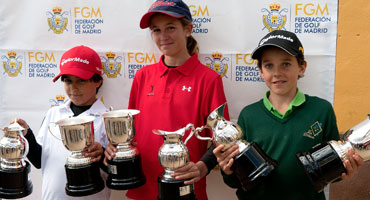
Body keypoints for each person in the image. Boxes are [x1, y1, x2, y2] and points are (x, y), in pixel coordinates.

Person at [213, 30, 364, 200]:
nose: (277, 73)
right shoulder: (248, 115)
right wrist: (227, 170)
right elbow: (235, 181)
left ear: (301, 67)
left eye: (285, 64)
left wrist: (344, 169)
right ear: (261, 72)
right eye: (269, 65)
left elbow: (331, 170)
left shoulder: (322, 110)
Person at [104, 0, 228, 199]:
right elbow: (132, 133)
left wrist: (203, 167)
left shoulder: (209, 79)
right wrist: (117, 147)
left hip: (185, 190)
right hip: (142, 189)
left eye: (170, 28)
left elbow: (222, 138)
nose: (163, 37)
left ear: (187, 29)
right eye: (156, 30)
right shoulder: (142, 76)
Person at [11, 45, 111, 200]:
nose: (73, 88)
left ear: (97, 81)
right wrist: (27, 135)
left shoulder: (108, 118)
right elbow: (40, 161)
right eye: (67, 81)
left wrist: (102, 155)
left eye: (81, 81)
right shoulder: (54, 113)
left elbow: (116, 170)